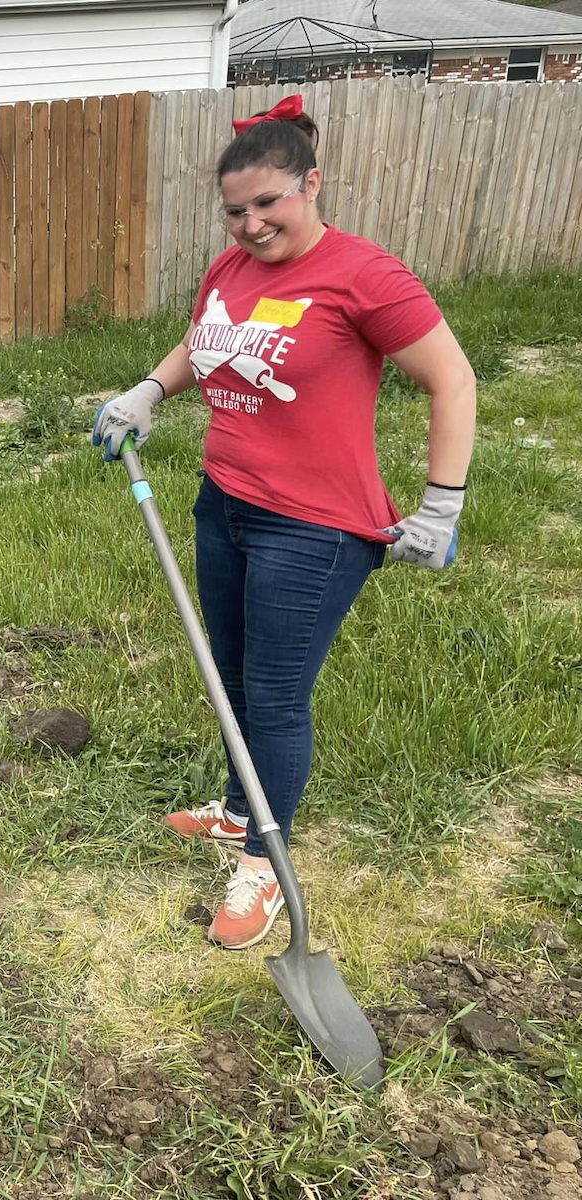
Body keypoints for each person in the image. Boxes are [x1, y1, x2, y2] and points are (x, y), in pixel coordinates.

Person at [90, 96, 476, 950]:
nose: (253, 224)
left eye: (270, 203)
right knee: (229, 677)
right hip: (225, 502)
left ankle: (268, 862)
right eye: (236, 210)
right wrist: (150, 390)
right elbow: (205, 343)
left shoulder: (363, 275)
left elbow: (453, 380)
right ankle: (239, 810)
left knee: (272, 696)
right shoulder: (229, 271)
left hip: (315, 527)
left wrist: (440, 504)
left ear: (312, 184)